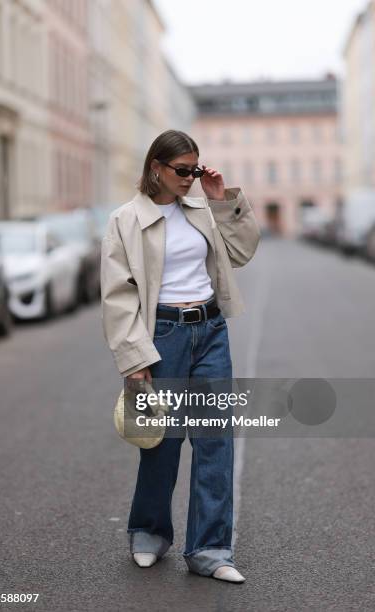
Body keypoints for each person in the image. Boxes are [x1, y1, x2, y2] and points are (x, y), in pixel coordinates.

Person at [100, 129, 260, 583]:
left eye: (195, 169)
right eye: (182, 170)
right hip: (162, 334)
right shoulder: (125, 220)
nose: (190, 178)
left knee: (215, 441)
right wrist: (134, 357)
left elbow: (243, 252)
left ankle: (210, 549)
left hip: (209, 330)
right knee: (162, 441)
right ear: (156, 167)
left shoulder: (202, 209)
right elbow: (117, 295)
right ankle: (149, 532)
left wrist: (222, 200)